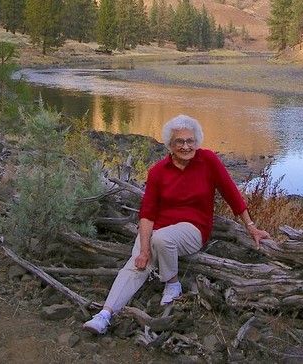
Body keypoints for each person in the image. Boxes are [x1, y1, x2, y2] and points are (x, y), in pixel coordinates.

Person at [83, 114, 269, 334]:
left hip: (194, 229)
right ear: (169, 145)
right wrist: (143, 251)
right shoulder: (158, 172)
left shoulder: (208, 161)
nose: (186, 146)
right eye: (179, 141)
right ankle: (104, 315)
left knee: (162, 239)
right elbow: (148, 214)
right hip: (158, 230)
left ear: (196, 141)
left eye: (190, 141)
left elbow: (231, 193)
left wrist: (251, 226)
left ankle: (172, 283)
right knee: (136, 265)